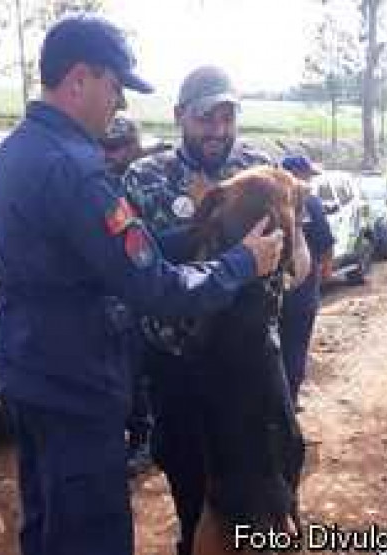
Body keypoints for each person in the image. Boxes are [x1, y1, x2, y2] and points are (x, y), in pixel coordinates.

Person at [0, 15, 284, 555]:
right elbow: (155, 288)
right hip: (76, 380)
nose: (117, 105)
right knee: (91, 535)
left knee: (47, 524)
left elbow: (97, 256)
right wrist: (241, 262)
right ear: (80, 79)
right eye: (114, 88)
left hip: (28, 367)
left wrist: (200, 231)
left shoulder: (15, 152)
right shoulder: (76, 170)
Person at [123, 65, 284, 555]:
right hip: (179, 363)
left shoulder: (261, 170)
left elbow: (294, 246)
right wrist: (206, 234)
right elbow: (137, 264)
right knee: (191, 479)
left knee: (271, 471)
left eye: (226, 117)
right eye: (204, 118)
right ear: (179, 117)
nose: (217, 130)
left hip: (251, 362)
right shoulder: (145, 178)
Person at [100, 115, 154, 476]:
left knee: (138, 375)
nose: (112, 155)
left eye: (118, 147)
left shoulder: (143, 182)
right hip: (109, 299)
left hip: (139, 295)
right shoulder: (101, 182)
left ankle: (143, 439)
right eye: (108, 147)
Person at [280, 154, 335, 402]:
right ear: (296, 174)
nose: (310, 181)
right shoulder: (310, 202)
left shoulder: (263, 198)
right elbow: (325, 244)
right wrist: (326, 272)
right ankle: (290, 400)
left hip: (268, 290)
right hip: (301, 290)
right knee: (296, 345)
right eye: (307, 175)